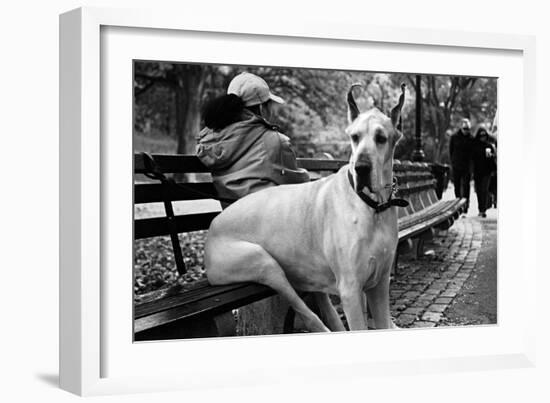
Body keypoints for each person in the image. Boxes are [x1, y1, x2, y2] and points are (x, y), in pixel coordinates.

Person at [196, 72, 310, 207]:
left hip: (230, 219)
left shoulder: (212, 141)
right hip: (264, 220)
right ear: (262, 108)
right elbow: (299, 185)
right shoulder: (275, 141)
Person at [449, 118, 474, 215]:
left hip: (467, 166)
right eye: (464, 129)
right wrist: (453, 162)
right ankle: (458, 204)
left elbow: (473, 154)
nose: (466, 131)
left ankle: (466, 205)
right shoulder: (454, 137)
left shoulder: (471, 138)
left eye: (467, 129)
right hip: (457, 165)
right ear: (461, 128)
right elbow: (451, 151)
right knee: (457, 186)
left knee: (466, 186)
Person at [472, 126, 496, 217]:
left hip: (487, 172)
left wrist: (493, 167)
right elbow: (472, 159)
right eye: (481, 136)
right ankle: (480, 208)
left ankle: (483, 209)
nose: (483, 137)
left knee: (484, 190)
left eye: (484, 136)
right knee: (479, 191)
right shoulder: (475, 146)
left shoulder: (489, 146)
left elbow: (492, 159)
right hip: (477, 172)